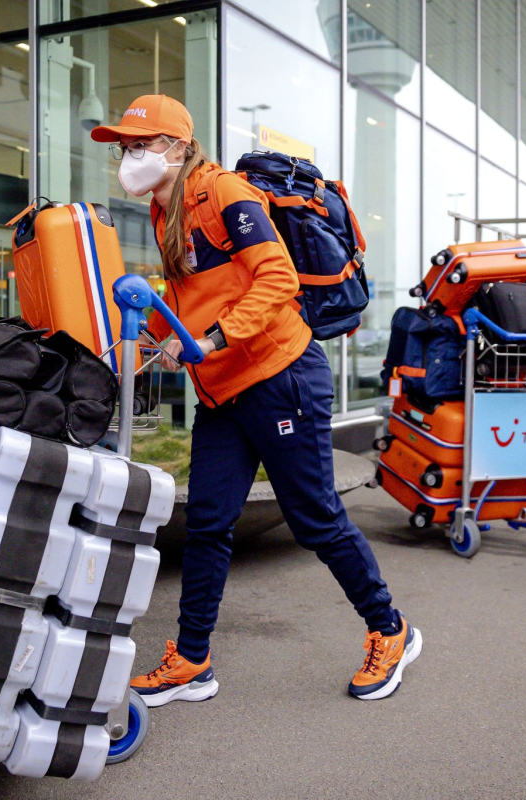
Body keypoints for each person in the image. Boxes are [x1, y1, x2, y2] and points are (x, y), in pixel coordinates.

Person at [90, 95, 421, 704]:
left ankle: (390, 629)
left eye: (142, 144)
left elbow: (277, 277)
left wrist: (214, 338)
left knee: (316, 519)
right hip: (223, 389)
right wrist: (150, 342)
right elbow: (193, 293)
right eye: (124, 147)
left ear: (181, 148)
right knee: (209, 522)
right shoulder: (169, 213)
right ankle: (192, 659)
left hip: (279, 376)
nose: (130, 157)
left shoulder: (226, 196)